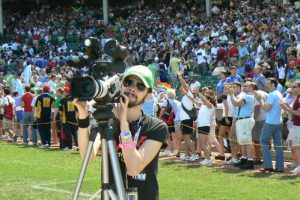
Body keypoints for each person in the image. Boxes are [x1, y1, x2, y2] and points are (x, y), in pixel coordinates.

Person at [73, 65, 167, 200]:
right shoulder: (106, 121)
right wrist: (83, 118)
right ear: (120, 86)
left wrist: (124, 124)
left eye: (140, 86)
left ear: (148, 95)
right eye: (128, 82)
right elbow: (87, 157)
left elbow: (134, 168)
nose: (132, 88)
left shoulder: (156, 127)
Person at [255, 78, 284, 172]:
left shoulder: (272, 94)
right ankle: (280, 167)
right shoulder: (279, 93)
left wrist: (260, 99)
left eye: (268, 83)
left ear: (273, 85)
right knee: (278, 145)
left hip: (271, 122)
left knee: (263, 141)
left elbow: (266, 108)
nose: (266, 85)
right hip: (278, 122)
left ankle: (268, 166)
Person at [281, 81, 300, 174]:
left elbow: (299, 113)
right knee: (294, 144)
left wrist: (287, 109)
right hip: (296, 125)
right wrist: (287, 106)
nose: (292, 89)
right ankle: (297, 163)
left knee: (297, 146)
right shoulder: (298, 98)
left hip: (298, 125)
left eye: (294, 87)